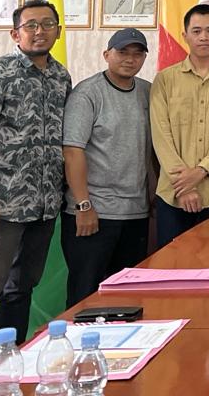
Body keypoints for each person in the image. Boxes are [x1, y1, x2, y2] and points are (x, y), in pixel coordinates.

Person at [0, 0, 70, 340]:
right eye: (31, 25)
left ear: (58, 31)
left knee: (21, 288)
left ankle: (11, 355)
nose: (40, 31)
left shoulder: (60, 77)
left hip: (43, 204)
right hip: (1, 203)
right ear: (15, 33)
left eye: (48, 24)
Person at [61, 28, 152, 305]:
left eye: (138, 54)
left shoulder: (148, 91)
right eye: (122, 52)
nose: (130, 59)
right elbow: (72, 151)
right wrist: (83, 205)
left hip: (135, 212)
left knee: (126, 300)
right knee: (85, 295)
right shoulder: (88, 93)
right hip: (94, 213)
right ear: (106, 55)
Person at [149, 5, 209, 247]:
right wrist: (184, 186)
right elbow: (161, 135)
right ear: (185, 35)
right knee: (171, 265)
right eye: (197, 31)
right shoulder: (165, 79)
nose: (204, 37)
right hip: (173, 195)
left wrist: (202, 171)